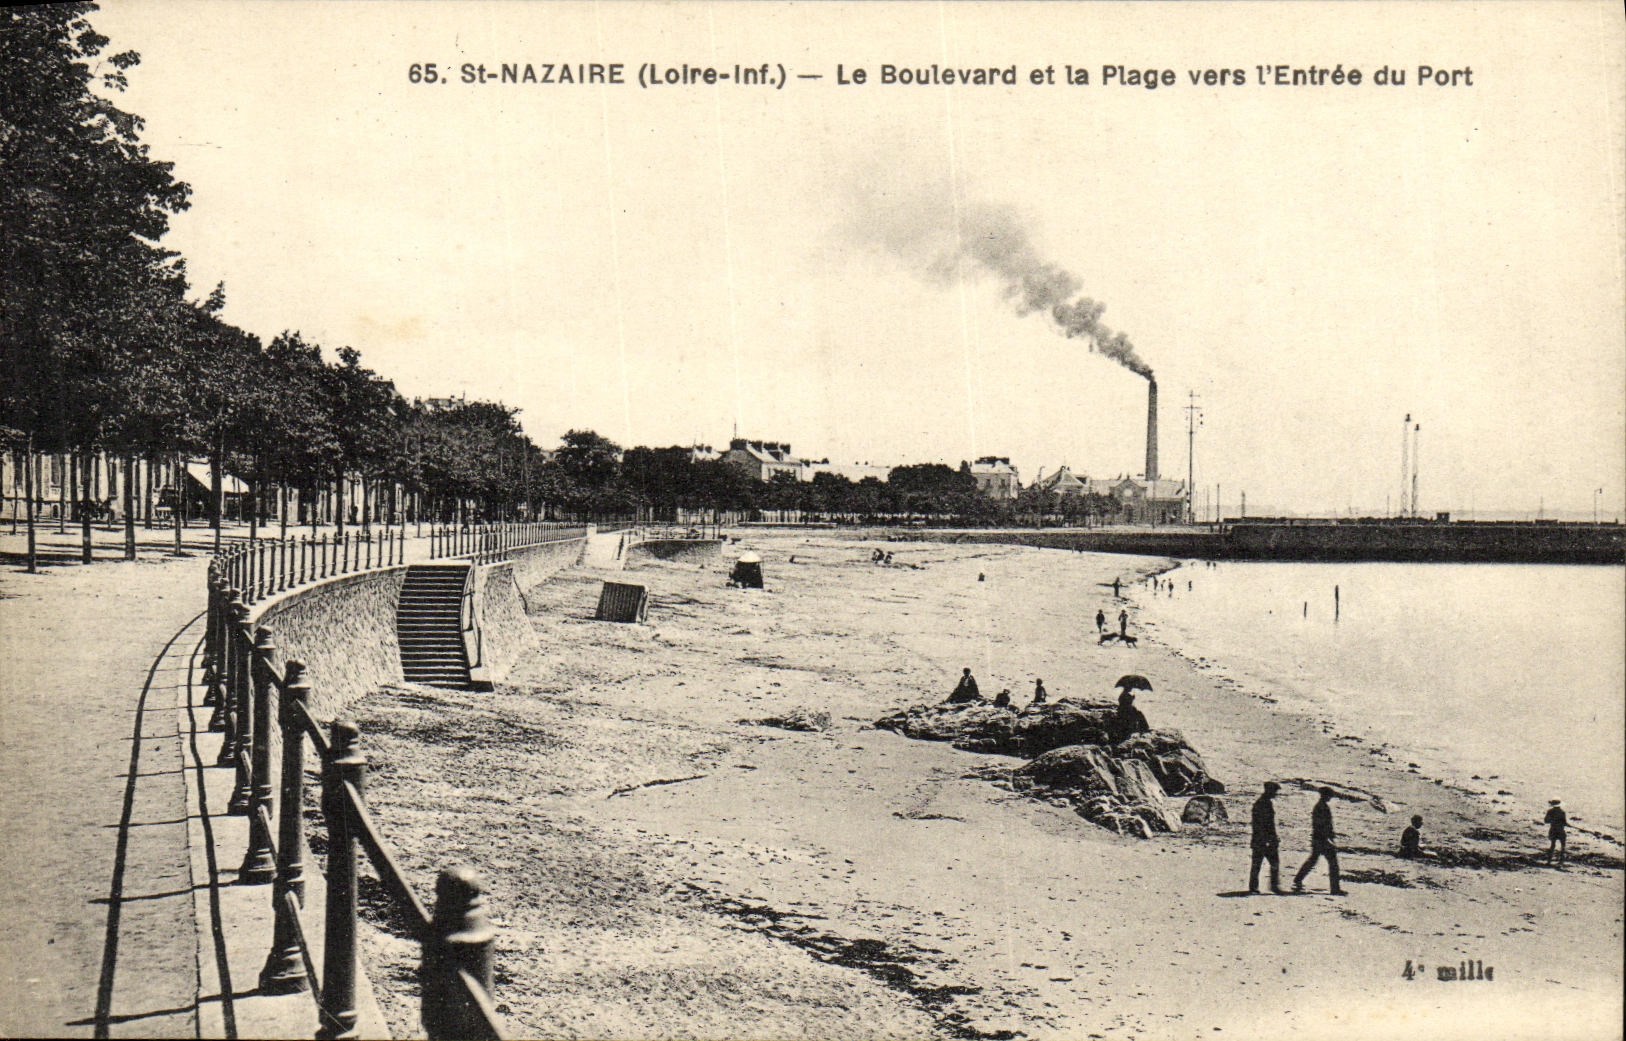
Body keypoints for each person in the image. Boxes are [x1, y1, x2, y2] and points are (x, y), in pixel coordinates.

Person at [1293, 787, 1346, 894]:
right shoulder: (1321, 807)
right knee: (1333, 864)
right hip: (1322, 840)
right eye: (1330, 795)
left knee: (1313, 861)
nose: (1331, 797)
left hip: (1320, 839)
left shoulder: (1321, 806)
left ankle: (1298, 879)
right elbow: (1321, 825)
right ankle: (1335, 889)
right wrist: (1328, 839)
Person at [1249, 782, 1285, 894]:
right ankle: (1260, 887)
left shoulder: (1264, 803)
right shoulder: (1262, 804)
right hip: (1262, 840)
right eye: (1274, 791)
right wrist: (1267, 839)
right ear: (1269, 791)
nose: (1276, 794)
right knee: (1260, 864)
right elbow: (1260, 825)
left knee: (1262, 863)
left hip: (1264, 840)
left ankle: (1260, 887)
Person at [1543, 799, 1568, 868]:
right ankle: (1561, 862)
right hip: (1560, 830)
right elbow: (1564, 822)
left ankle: (1549, 861)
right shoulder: (1562, 812)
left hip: (1553, 830)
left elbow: (1546, 821)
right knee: (1563, 846)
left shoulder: (1550, 811)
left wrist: (1552, 820)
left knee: (1552, 845)